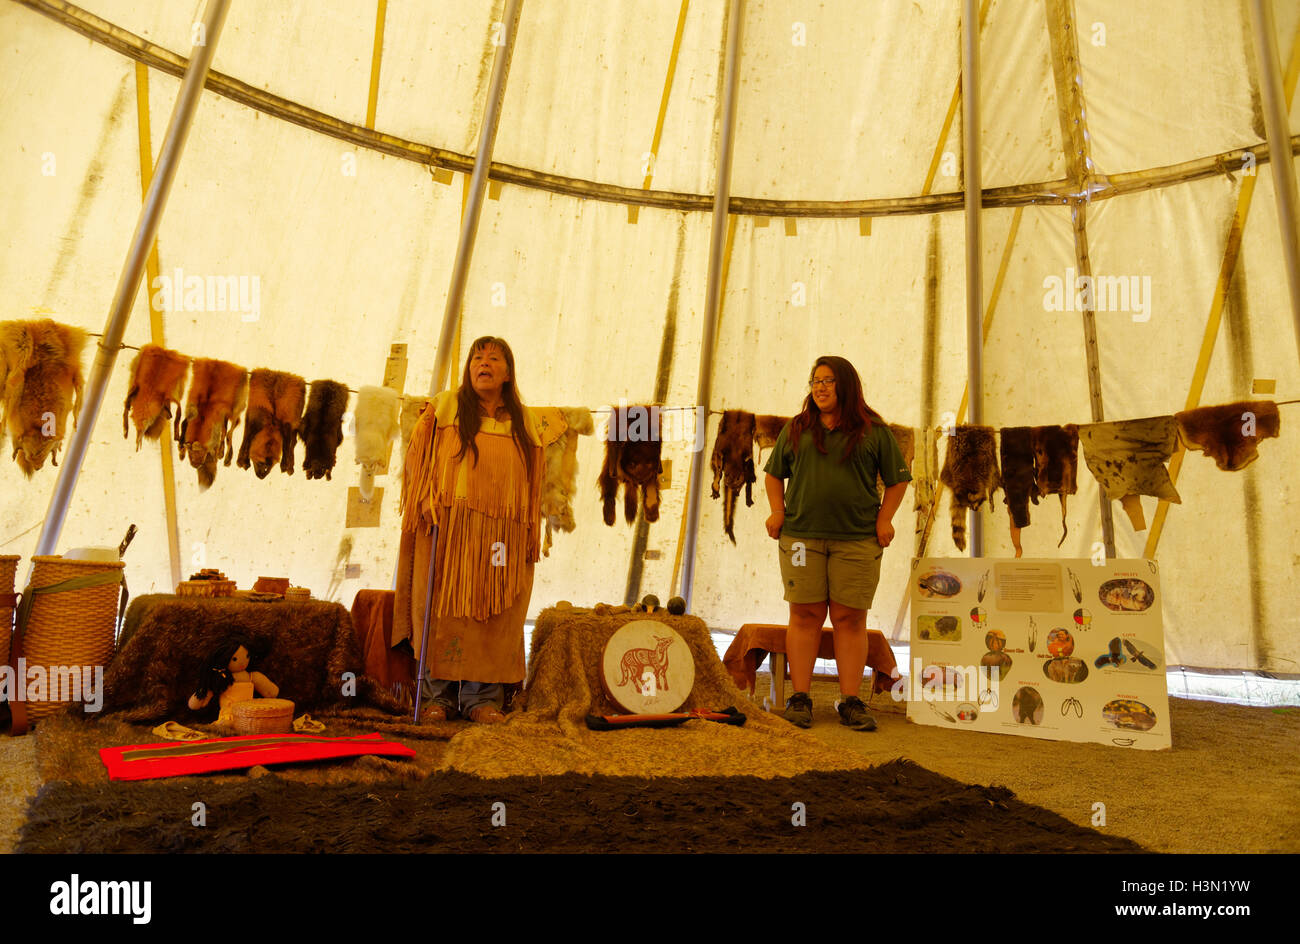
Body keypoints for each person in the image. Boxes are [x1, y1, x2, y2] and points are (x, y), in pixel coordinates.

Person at [392, 337, 544, 724]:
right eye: (478, 357)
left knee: (493, 613)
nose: (484, 363)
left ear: (508, 373)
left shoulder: (524, 422)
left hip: (500, 539)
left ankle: (482, 699)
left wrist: (527, 529)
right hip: (449, 528)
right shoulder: (444, 408)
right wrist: (425, 496)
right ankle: (436, 698)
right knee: (442, 610)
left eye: (494, 358)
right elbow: (417, 458)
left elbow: (535, 480)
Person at [763, 355, 911, 731]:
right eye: (815, 381)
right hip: (800, 538)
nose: (820, 387)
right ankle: (800, 698)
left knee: (849, 618)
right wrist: (776, 512)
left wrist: (885, 519)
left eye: (828, 380)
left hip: (858, 539)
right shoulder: (797, 428)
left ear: (845, 385)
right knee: (805, 615)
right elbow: (774, 475)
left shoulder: (874, 430)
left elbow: (898, 480)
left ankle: (851, 701)